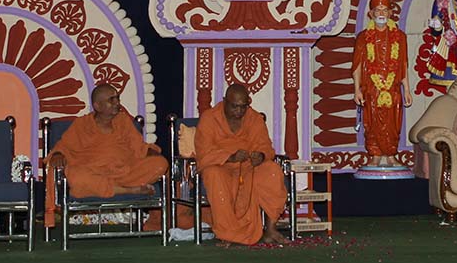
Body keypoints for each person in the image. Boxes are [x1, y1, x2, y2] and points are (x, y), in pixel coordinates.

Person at [45, 83, 168, 224]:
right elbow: (63, 147)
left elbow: (139, 147)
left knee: (160, 164)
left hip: (124, 173)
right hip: (94, 173)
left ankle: (115, 187)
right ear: (97, 106)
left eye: (118, 98)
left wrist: (150, 151)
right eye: (112, 100)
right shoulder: (82, 124)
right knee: (76, 177)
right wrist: (58, 154)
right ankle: (129, 191)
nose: (117, 103)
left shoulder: (123, 121)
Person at [195, 84, 289, 246]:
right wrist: (230, 157)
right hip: (221, 166)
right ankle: (228, 234)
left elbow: (266, 146)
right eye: (234, 106)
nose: (239, 111)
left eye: (243, 107)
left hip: (248, 167)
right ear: (224, 101)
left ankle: (270, 229)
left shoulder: (254, 118)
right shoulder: (209, 118)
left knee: (271, 170)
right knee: (214, 175)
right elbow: (204, 152)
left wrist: (261, 156)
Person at [353, 0, 412, 166]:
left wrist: (407, 90)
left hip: (393, 88)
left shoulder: (400, 37)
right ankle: (375, 155)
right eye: (377, 10)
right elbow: (357, 66)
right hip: (372, 88)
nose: (381, 13)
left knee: (393, 123)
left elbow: (403, 64)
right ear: (371, 14)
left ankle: (391, 154)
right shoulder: (363, 37)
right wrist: (356, 90)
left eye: (385, 10)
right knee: (371, 123)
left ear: (390, 13)